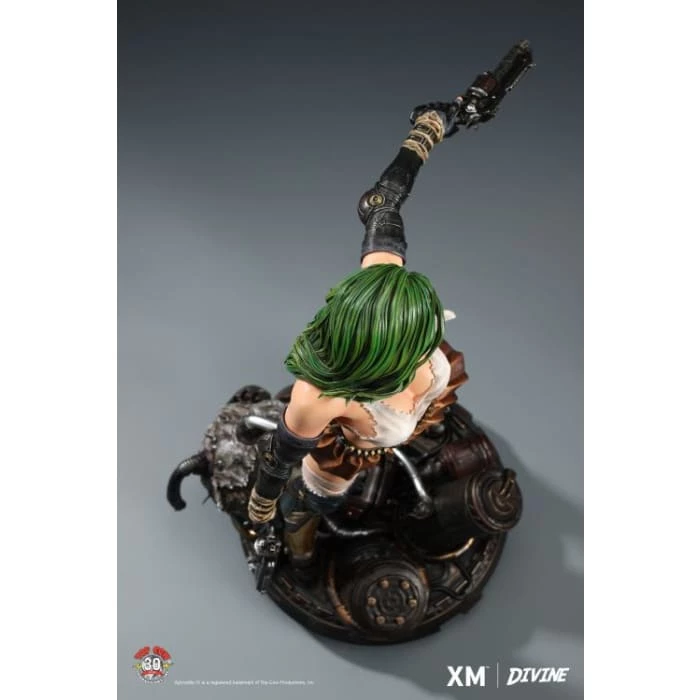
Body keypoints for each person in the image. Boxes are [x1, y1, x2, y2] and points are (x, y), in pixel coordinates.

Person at [246, 109, 468, 569]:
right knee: (313, 501)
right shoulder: (316, 401)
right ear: (383, 362)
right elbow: (277, 461)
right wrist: (262, 510)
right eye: (415, 346)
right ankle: (301, 544)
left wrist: (429, 129)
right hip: (351, 450)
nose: (430, 344)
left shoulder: (383, 288)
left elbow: (381, 201)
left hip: (411, 418)